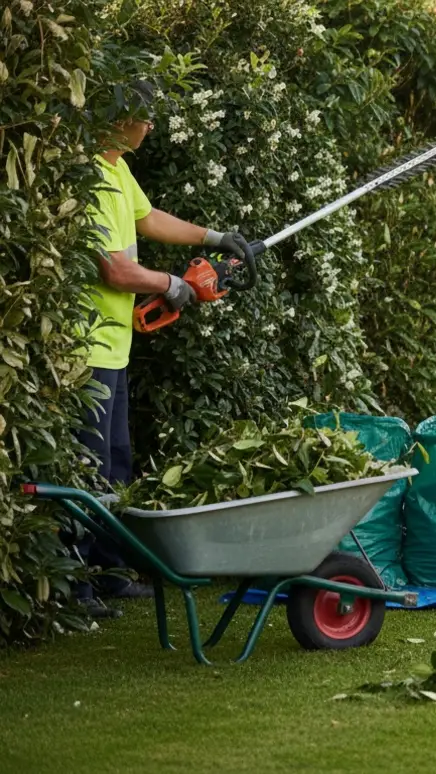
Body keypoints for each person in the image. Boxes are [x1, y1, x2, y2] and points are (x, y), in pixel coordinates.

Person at [74, 80, 251, 618]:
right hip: (84, 351)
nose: (151, 126)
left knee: (116, 464)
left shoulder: (118, 172)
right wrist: (169, 284)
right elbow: (115, 268)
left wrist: (214, 239)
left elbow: (148, 221)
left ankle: (107, 573)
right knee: (87, 468)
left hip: (115, 346)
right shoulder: (91, 179)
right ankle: (73, 588)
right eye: (145, 117)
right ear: (118, 116)